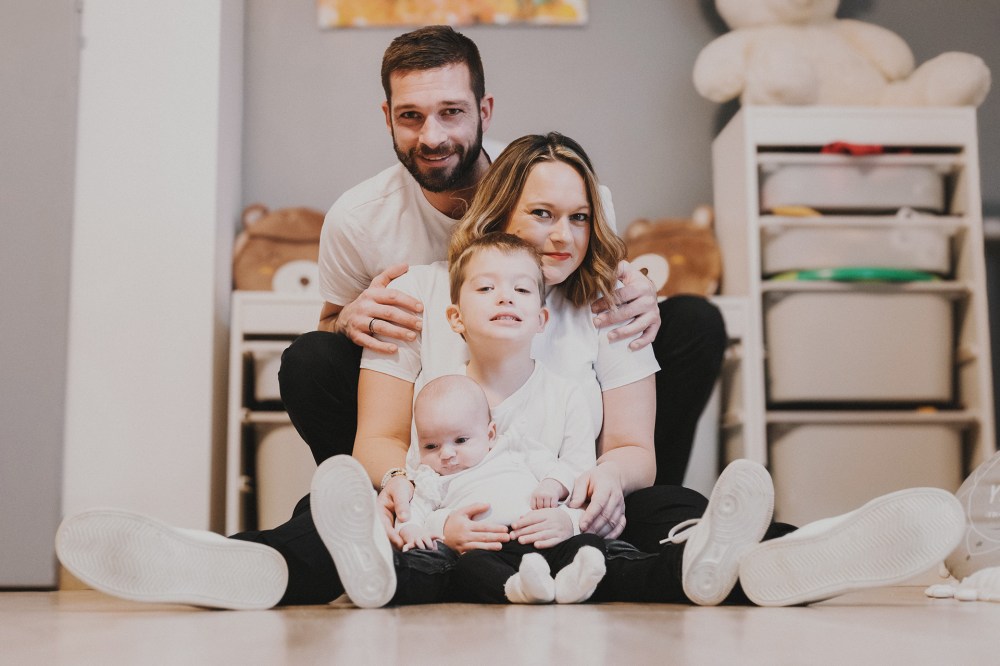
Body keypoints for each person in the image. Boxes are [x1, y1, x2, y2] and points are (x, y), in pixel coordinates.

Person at [55, 133, 966, 611]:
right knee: (344, 526)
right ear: (499, 212)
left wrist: (602, 486)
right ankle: (227, 564)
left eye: (577, 217)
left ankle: (791, 554)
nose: (562, 235)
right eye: (542, 214)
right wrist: (394, 492)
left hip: (565, 496)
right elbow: (377, 436)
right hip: (447, 499)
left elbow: (636, 447)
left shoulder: (609, 303)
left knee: (660, 514)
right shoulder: (420, 291)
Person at [278, 24, 726, 487]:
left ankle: (644, 507)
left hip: (552, 392)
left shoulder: (559, 186)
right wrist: (351, 319)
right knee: (310, 360)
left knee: (694, 321)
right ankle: (365, 502)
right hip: (422, 390)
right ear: (388, 116)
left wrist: (639, 298)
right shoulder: (359, 219)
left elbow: (597, 276)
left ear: (484, 111)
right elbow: (329, 325)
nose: (432, 137)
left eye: (451, 112)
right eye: (411, 116)